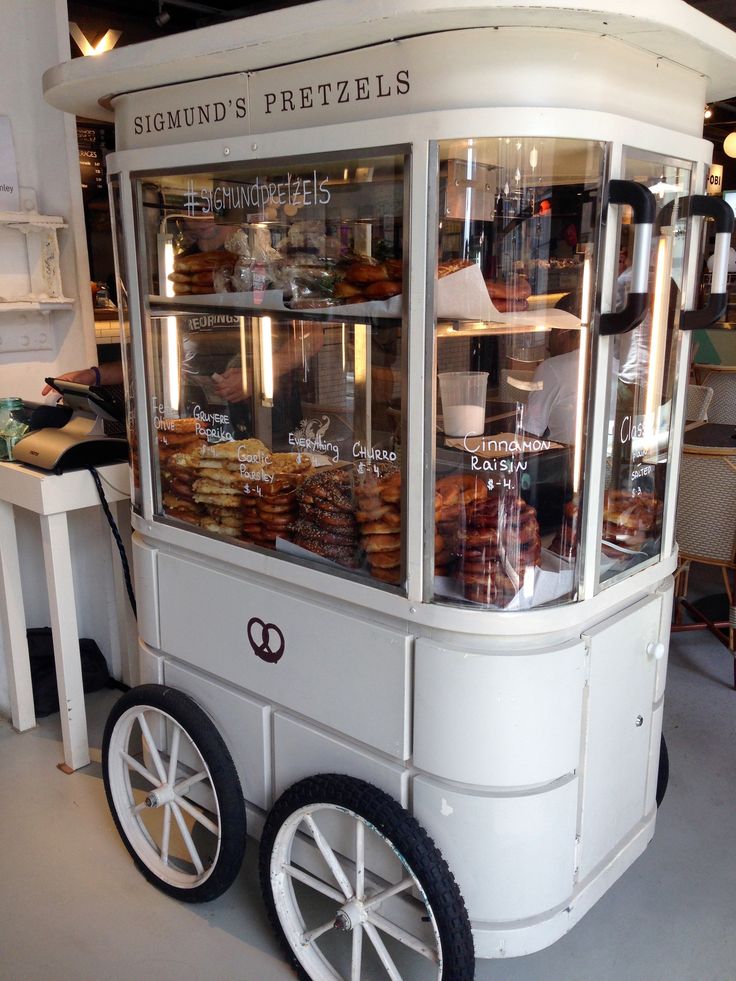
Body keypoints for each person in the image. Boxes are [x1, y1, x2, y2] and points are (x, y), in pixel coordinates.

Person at [522, 328, 581, 445]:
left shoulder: (551, 367)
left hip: (564, 459)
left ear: (560, 334)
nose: (547, 346)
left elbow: (529, 436)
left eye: (550, 334)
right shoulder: (611, 363)